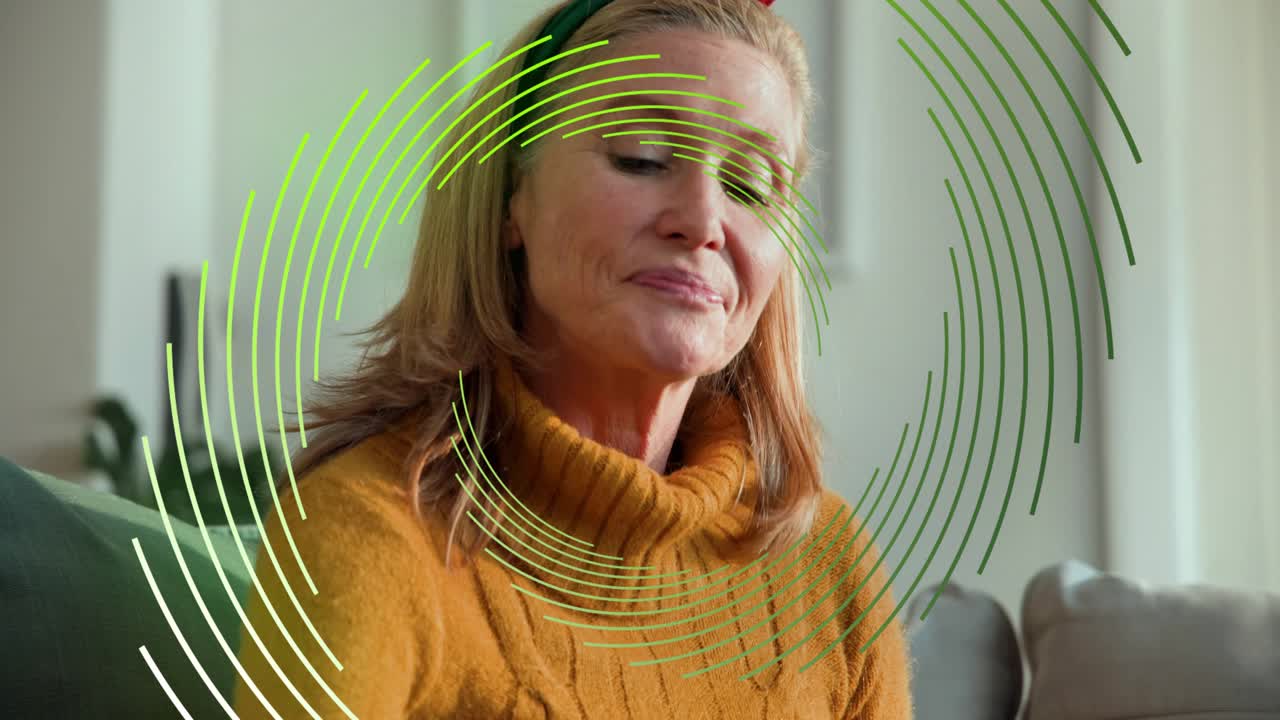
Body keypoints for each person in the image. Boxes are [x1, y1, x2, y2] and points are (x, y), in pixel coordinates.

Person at [232, 0, 914, 717]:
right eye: (641, 157)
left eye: (750, 185)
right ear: (511, 198)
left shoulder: (827, 563)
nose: (704, 221)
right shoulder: (366, 534)